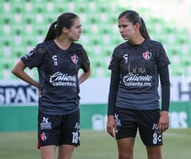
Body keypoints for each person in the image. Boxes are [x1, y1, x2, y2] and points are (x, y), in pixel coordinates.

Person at [12, 12, 91, 159]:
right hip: (49, 111)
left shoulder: (78, 51)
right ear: (65, 29)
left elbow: (87, 71)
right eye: (77, 27)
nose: (81, 30)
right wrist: (38, 85)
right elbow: (17, 69)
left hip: (71, 111)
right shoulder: (43, 49)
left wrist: (75, 83)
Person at [106, 10, 171, 159]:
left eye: (124, 26)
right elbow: (113, 86)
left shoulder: (156, 48)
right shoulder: (119, 51)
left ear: (136, 26)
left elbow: (166, 83)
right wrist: (110, 115)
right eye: (119, 27)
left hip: (150, 110)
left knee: (155, 156)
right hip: (124, 110)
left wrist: (165, 112)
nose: (121, 30)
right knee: (124, 156)